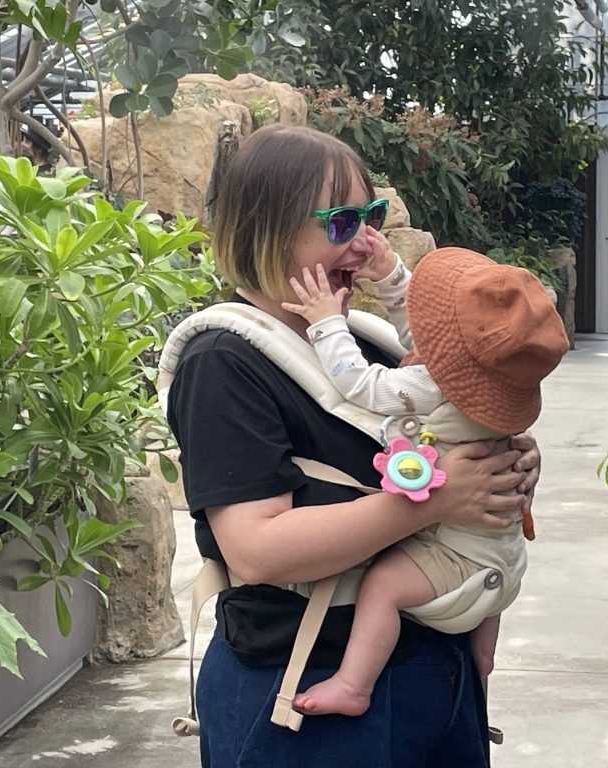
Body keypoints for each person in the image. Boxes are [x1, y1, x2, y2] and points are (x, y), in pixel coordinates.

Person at [163, 123, 542, 768]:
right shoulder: (224, 361)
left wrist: (505, 461)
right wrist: (438, 498)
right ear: (265, 228)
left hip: (428, 671)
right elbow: (256, 550)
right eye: (341, 222)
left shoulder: (365, 342)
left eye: (371, 216)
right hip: (303, 686)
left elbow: (440, 432)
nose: (365, 240)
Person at [279, 247, 568, 718]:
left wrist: (325, 321)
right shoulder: (487, 380)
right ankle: (482, 659)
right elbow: (428, 333)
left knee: (383, 587)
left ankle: (354, 685)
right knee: (486, 591)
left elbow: (361, 383)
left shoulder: (429, 386)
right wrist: (390, 272)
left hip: (461, 557)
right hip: (504, 554)